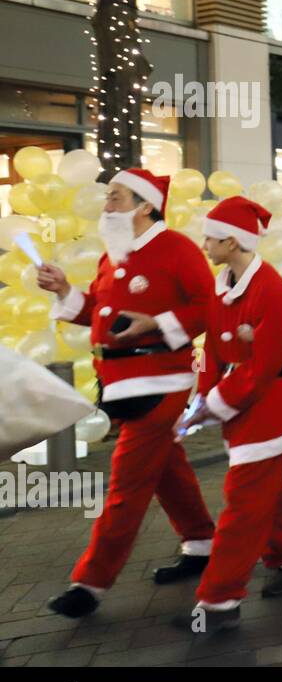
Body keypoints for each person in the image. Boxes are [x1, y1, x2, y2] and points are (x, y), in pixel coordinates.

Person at [41, 169, 216, 619]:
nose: (106, 205)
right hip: (120, 382)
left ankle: (90, 582)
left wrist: (156, 323)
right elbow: (100, 314)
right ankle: (202, 542)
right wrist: (65, 291)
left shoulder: (177, 248)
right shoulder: (112, 254)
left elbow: (206, 307)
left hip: (161, 381)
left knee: (125, 484)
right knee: (165, 470)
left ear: (144, 205)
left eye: (114, 197)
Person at [171, 197, 282, 632]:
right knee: (263, 490)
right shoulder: (223, 283)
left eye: (211, 238)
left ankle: (219, 599)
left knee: (242, 504)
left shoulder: (271, 290)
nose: (205, 245)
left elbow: (263, 367)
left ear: (232, 241)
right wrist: (204, 400)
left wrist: (212, 405)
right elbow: (213, 348)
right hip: (241, 403)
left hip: (269, 405)